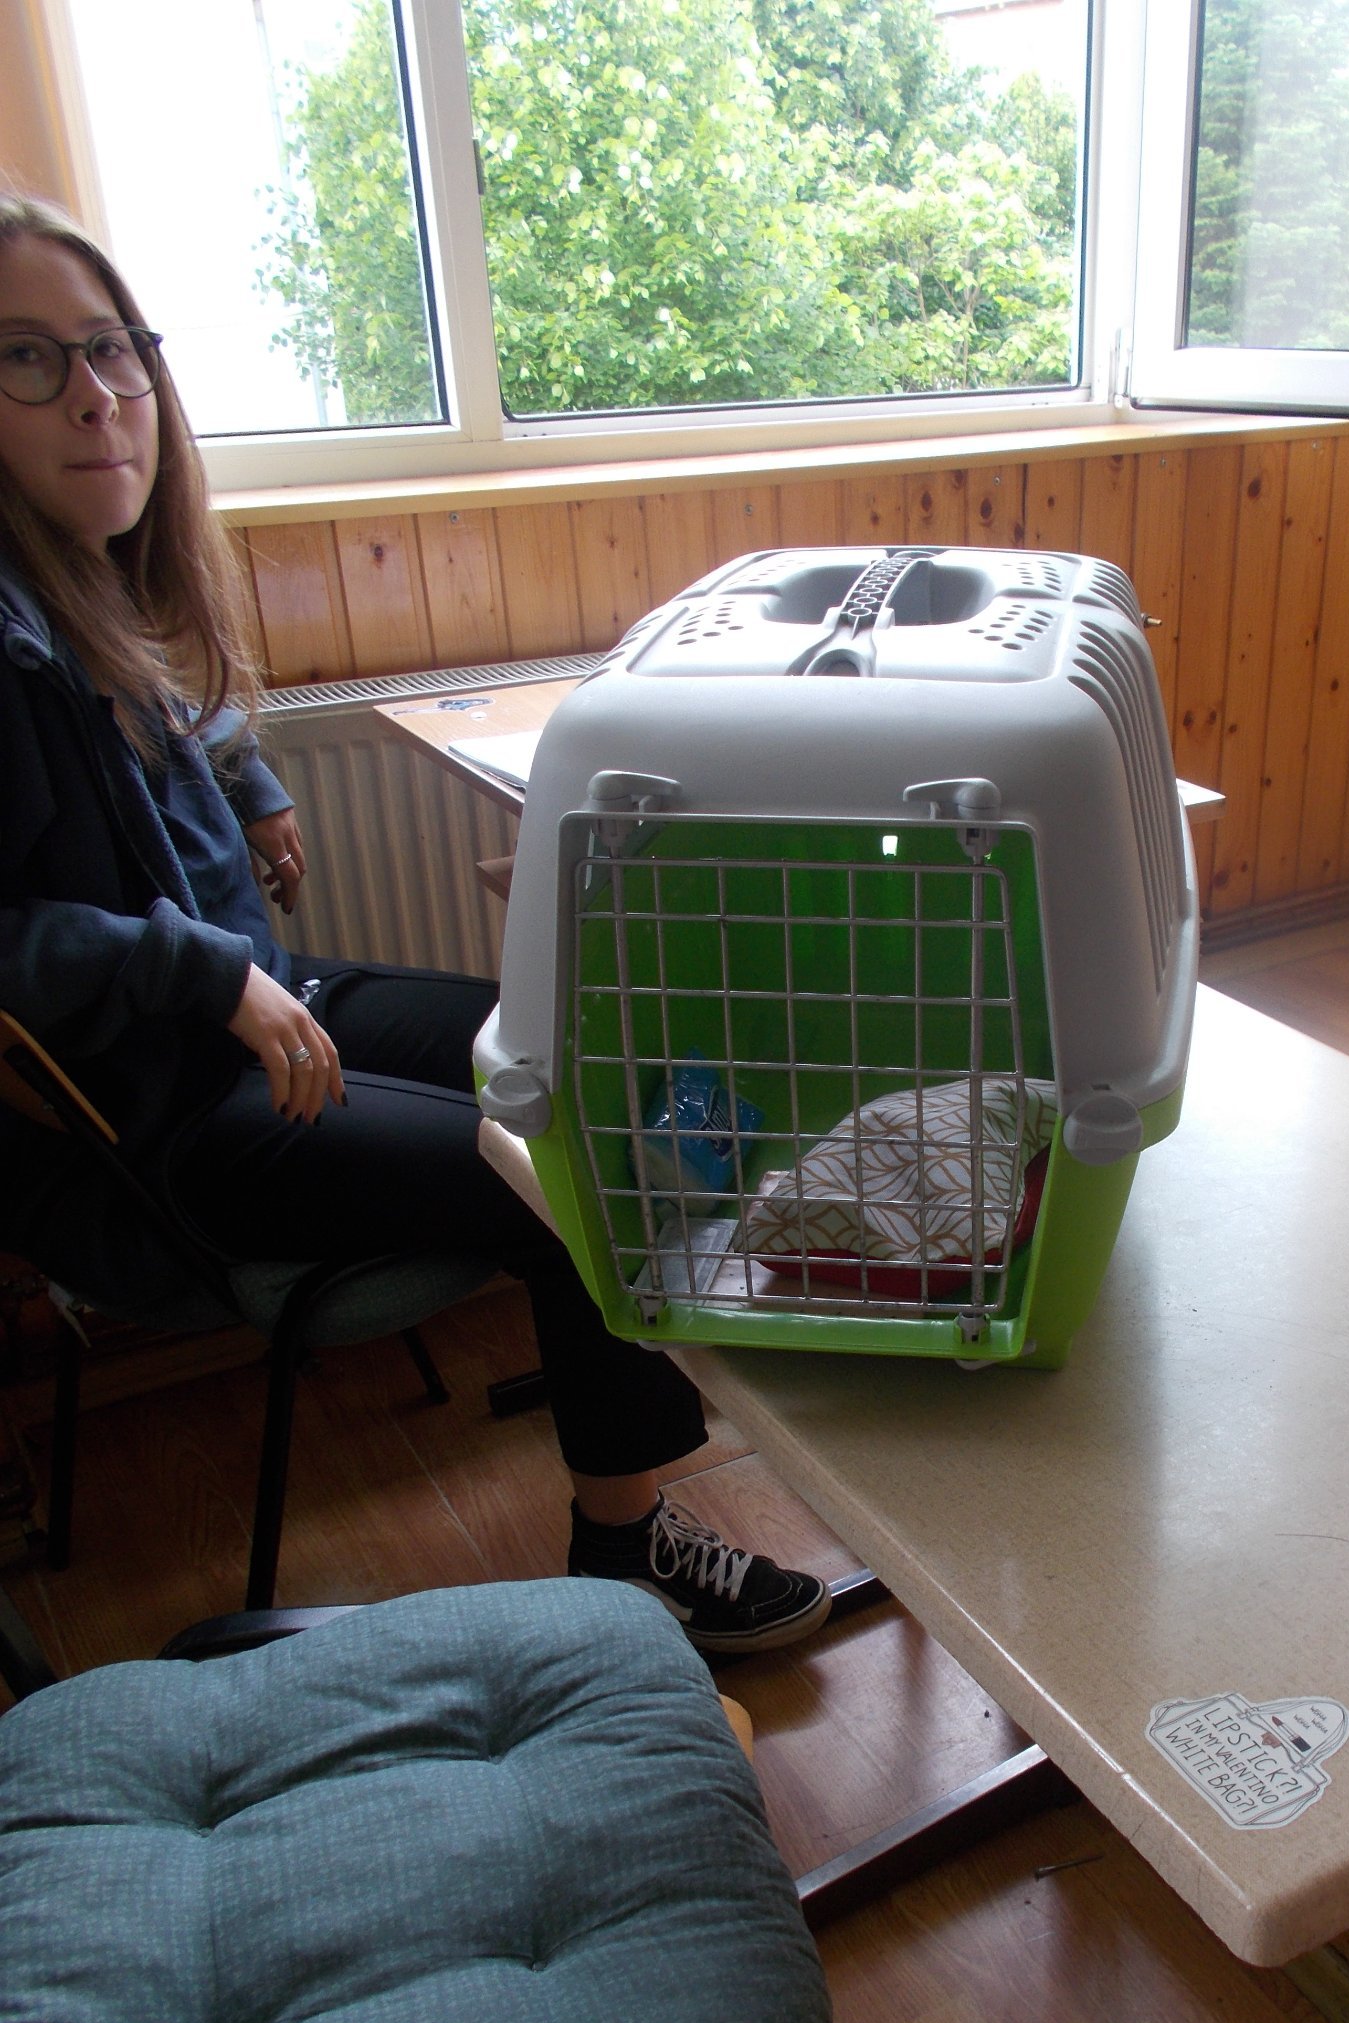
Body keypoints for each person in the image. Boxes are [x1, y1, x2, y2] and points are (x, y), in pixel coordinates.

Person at [0, 193, 829, 1654]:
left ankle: (725, 1340)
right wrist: (205, 972)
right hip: (177, 1116)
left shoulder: (83, 574)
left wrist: (252, 783)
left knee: (588, 1064)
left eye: (114, 347)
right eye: (27, 357)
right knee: (573, 1177)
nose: (95, 394)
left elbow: (168, 712)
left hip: (267, 1006)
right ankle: (626, 1544)